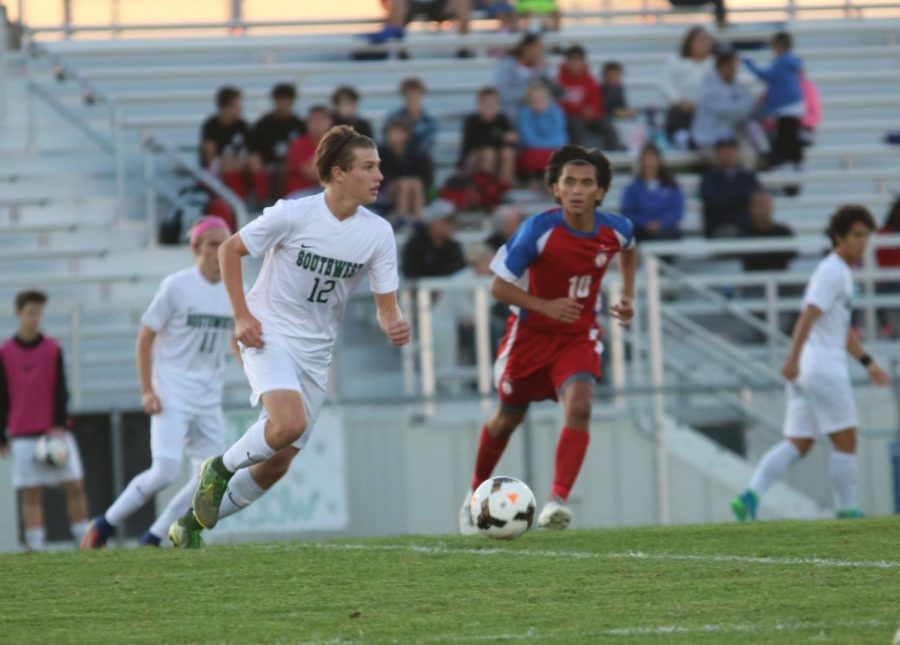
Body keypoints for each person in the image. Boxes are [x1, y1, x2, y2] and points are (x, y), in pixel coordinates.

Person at [169, 126, 411, 547]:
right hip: (268, 331)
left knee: (278, 463)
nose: (379, 176)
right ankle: (220, 468)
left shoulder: (378, 233)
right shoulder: (294, 214)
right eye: (369, 167)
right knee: (288, 422)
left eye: (379, 167)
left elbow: (386, 305)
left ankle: (191, 524)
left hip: (317, 351)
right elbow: (229, 250)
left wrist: (393, 321)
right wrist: (241, 315)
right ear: (338, 173)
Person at [458, 145, 637, 533]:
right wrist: (545, 306)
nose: (577, 190)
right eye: (568, 182)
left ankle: (556, 501)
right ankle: (475, 496)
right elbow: (498, 287)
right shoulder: (540, 230)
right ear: (555, 190)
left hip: (578, 335)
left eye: (586, 183)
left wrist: (627, 296)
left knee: (581, 404)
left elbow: (629, 249)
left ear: (600, 192)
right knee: (507, 420)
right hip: (530, 337)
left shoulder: (615, 229)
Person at [80, 218, 235, 550]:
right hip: (173, 391)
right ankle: (104, 525)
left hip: (208, 396)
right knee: (165, 470)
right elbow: (145, 337)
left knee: (210, 479)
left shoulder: (235, 290)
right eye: (212, 243)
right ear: (195, 249)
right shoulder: (177, 286)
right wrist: (148, 390)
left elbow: (237, 339)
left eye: (225, 242)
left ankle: (154, 536)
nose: (219, 250)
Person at [732, 205, 890, 522]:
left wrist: (868, 362)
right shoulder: (833, 271)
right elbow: (808, 314)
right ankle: (846, 510)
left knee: (799, 442)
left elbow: (840, 328)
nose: (863, 242)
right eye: (857, 235)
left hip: (811, 367)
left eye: (866, 236)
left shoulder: (841, 272)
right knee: (846, 437)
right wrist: (791, 359)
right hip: (822, 367)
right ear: (839, 237)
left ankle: (750, 495)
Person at [0, 290, 89, 551]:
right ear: (19, 313)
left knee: (74, 485)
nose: (35, 318)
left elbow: (61, 388)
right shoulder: (6, 353)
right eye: (31, 312)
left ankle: (85, 540)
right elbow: (2, 394)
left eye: (39, 312)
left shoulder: (52, 348)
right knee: (30, 492)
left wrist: (59, 424)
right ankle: (36, 546)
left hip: (55, 433)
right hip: (23, 434)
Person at [743, 32, 803, 169]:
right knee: (787, 136)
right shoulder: (789, 61)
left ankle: (784, 162)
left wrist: (748, 64)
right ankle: (786, 162)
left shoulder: (783, 61)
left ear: (779, 45)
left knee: (786, 138)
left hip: (786, 106)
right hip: (790, 106)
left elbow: (765, 75)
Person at [692, 51, 758, 165]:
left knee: (749, 154)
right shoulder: (709, 85)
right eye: (731, 66)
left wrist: (753, 103)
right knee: (725, 161)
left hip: (731, 139)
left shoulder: (737, 85)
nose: (734, 70)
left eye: (735, 67)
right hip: (709, 140)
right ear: (722, 66)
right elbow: (730, 110)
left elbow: (748, 109)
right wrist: (753, 102)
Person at [248, 83, 306, 204]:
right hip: (267, 165)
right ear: (275, 101)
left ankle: (282, 203)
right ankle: (262, 200)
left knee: (284, 168)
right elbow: (253, 150)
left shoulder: (299, 125)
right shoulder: (263, 124)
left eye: (287, 100)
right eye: (281, 100)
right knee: (254, 161)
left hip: (290, 164)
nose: (284, 104)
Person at [661, 26, 715, 148]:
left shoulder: (715, 63)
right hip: (682, 111)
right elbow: (665, 84)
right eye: (700, 40)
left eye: (706, 40)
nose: (703, 44)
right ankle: (683, 139)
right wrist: (680, 102)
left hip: (707, 112)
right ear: (690, 42)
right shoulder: (675, 60)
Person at [620, 144, 684, 242]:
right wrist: (645, 223)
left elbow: (677, 211)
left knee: (670, 233)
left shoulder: (671, 186)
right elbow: (627, 213)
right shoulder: (633, 188)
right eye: (646, 159)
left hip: (666, 231)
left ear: (659, 161)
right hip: (641, 231)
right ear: (641, 162)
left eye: (652, 159)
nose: (649, 163)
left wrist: (660, 222)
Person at [699, 138, 761, 238]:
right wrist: (740, 196)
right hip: (719, 227)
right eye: (723, 151)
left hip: (747, 227)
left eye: (730, 151)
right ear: (717, 154)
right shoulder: (708, 179)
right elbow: (714, 201)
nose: (727, 155)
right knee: (729, 232)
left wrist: (728, 196)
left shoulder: (748, 177)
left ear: (736, 152)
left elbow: (757, 198)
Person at [200, 86, 251, 200]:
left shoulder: (243, 125)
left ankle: (258, 199)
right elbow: (210, 156)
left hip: (238, 165)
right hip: (217, 168)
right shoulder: (211, 125)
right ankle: (238, 201)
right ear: (226, 107)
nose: (241, 108)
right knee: (228, 161)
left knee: (254, 161)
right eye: (237, 105)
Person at [460, 87, 517, 187]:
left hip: (497, 155)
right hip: (476, 157)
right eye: (486, 104)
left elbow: (510, 142)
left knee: (507, 153)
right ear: (479, 105)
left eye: (493, 104)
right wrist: (500, 137)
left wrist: (509, 138)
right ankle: (486, 189)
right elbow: (471, 144)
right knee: (488, 153)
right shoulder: (472, 121)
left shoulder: (502, 119)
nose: (490, 107)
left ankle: (503, 189)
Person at [379, 118, 433, 222]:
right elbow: (382, 176)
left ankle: (417, 218)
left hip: (413, 189)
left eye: (396, 133)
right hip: (388, 190)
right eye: (390, 133)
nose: (392, 136)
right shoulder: (382, 152)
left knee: (415, 184)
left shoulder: (416, 153)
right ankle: (402, 217)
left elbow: (425, 177)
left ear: (405, 135)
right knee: (405, 184)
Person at [556, 45, 608, 149]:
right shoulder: (559, 80)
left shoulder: (589, 79)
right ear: (567, 62)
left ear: (583, 62)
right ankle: (579, 157)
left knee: (608, 126)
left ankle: (615, 156)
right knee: (577, 124)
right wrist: (580, 110)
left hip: (589, 117)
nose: (575, 64)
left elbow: (596, 101)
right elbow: (559, 105)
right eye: (572, 60)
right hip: (570, 118)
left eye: (578, 60)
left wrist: (592, 111)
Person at [495, 34, 556, 119]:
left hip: (536, 115)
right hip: (512, 114)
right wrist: (525, 93)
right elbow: (502, 93)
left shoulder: (539, 68)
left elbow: (551, 90)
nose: (540, 52)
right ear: (526, 48)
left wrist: (543, 71)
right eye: (537, 48)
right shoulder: (508, 65)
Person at [402, 199, 467, 278]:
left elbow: (460, 272)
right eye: (446, 221)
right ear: (433, 223)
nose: (451, 225)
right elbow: (410, 273)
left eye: (452, 221)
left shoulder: (454, 246)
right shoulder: (415, 245)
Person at [517, 81, 568, 180]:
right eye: (533, 99)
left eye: (540, 98)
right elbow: (529, 140)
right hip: (533, 151)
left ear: (547, 99)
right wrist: (547, 147)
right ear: (529, 101)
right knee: (533, 157)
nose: (537, 101)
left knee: (559, 156)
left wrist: (544, 147)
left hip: (550, 150)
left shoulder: (556, 111)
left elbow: (561, 139)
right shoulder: (524, 113)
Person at [364, 0, 472, 45]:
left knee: (463, 3)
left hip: (439, 3)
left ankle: (463, 48)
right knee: (397, 4)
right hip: (411, 3)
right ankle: (399, 50)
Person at [284, 106, 334, 197]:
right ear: (307, 123)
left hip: (328, 191)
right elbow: (313, 175)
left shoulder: (336, 144)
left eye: (321, 121)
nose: (317, 124)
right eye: (313, 121)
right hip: (302, 193)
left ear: (329, 122)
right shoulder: (298, 144)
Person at [740, 192, 796, 273]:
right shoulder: (743, 234)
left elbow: (792, 257)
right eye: (758, 205)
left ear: (771, 207)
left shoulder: (784, 232)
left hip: (782, 281)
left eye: (764, 205)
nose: (761, 209)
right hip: (751, 283)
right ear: (750, 209)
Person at [384, 77, 438, 157]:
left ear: (422, 94)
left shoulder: (429, 120)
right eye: (409, 94)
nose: (412, 97)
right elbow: (387, 141)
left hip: (419, 160)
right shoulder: (393, 117)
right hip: (395, 159)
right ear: (403, 95)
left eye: (416, 93)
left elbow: (428, 144)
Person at [799, 69, 822, 148]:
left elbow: (815, 115)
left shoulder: (809, 88)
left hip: (804, 130)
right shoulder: (782, 87)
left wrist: (798, 121)